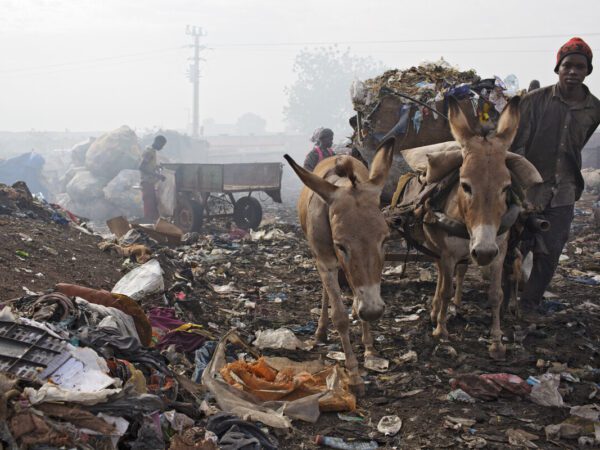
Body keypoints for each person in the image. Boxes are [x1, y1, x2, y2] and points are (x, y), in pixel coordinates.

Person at [511, 37, 600, 313]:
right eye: (567, 65)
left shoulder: (594, 109)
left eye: (579, 67)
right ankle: (502, 304)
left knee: (550, 253)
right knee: (515, 248)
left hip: (564, 191)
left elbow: (578, 143)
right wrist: (517, 188)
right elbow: (517, 147)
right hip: (530, 190)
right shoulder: (534, 101)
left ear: (588, 71)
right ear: (557, 68)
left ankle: (529, 305)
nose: (572, 71)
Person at [139, 135, 167, 222]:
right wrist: (157, 175)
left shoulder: (152, 151)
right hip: (147, 182)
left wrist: (157, 167)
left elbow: (148, 165)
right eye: (162, 145)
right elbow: (142, 167)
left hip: (150, 182)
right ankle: (149, 223)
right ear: (157, 142)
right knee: (150, 207)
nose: (162, 147)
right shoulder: (149, 152)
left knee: (153, 206)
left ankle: (152, 223)